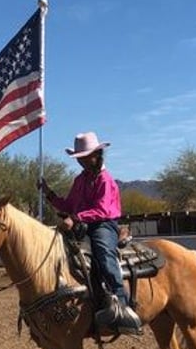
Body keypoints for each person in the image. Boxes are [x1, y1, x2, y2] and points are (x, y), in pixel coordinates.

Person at [38, 131, 142, 335]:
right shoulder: (80, 180)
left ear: (98, 155)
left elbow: (102, 210)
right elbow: (69, 204)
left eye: (86, 157)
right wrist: (49, 194)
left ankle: (122, 304)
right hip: (83, 225)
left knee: (103, 254)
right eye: (80, 158)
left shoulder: (106, 180)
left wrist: (75, 218)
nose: (83, 162)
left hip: (104, 224)